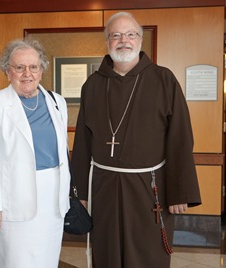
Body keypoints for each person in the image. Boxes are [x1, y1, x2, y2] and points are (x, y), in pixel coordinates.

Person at [71, 12, 201, 268]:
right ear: (107, 41)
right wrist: (80, 194)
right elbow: (83, 144)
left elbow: (181, 138)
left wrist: (179, 192)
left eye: (130, 34)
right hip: (104, 188)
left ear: (141, 39)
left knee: (147, 255)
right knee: (107, 253)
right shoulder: (93, 85)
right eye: (116, 35)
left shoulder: (164, 79)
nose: (124, 40)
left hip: (150, 189)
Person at [0, 37, 71, 268]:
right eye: (19, 68)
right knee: (15, 261)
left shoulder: (57, 102)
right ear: (7, 72)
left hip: (53, 201)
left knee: (48, 260)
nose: (27, 74)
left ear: (41, 70)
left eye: (33, 67)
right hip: (15, 199)